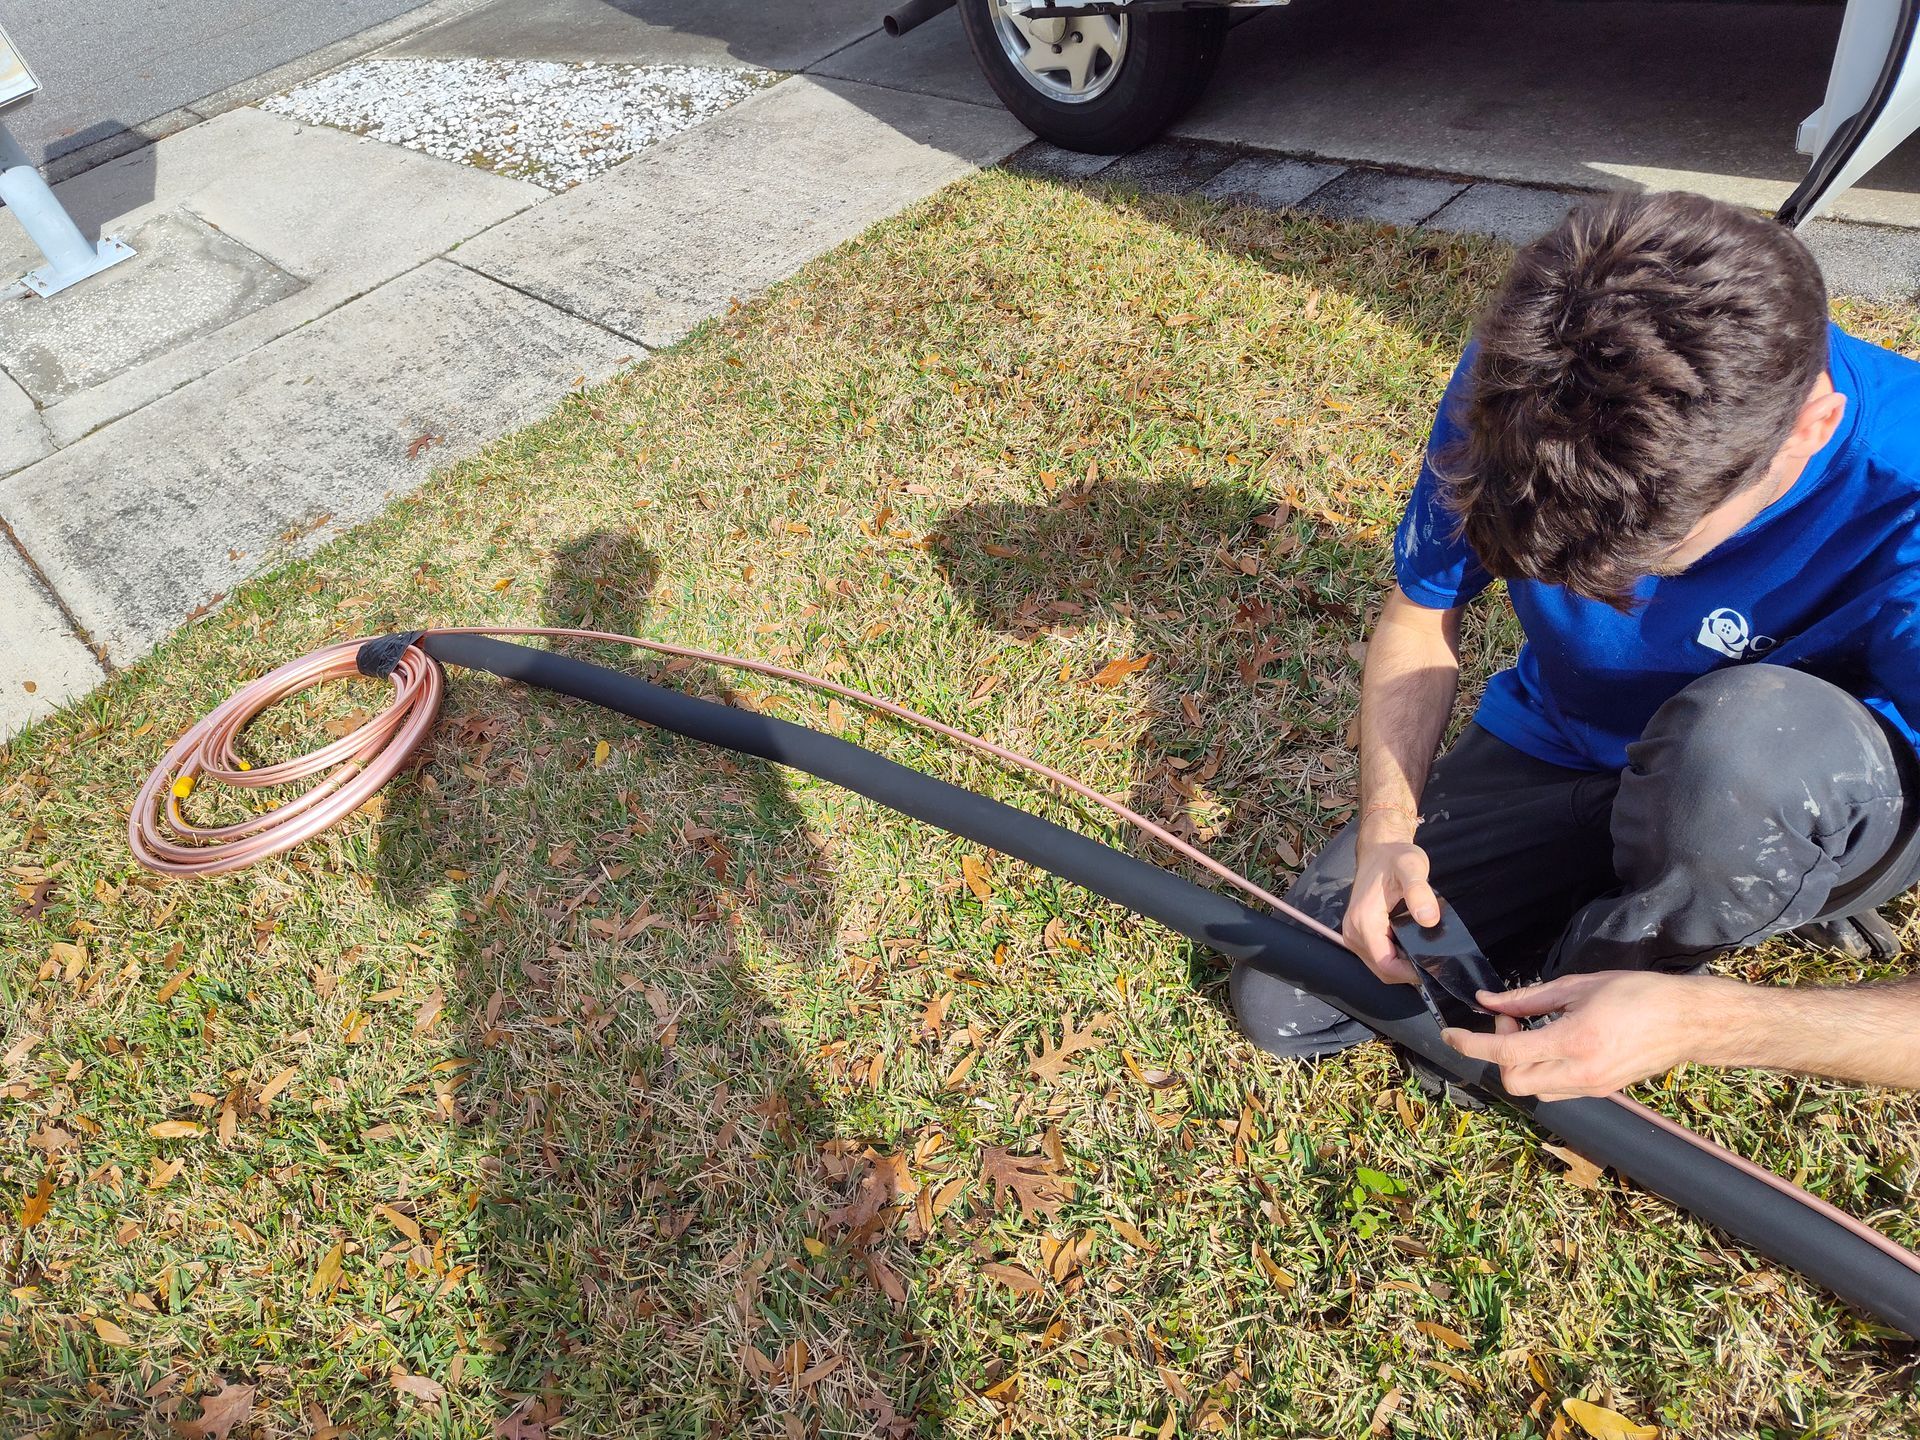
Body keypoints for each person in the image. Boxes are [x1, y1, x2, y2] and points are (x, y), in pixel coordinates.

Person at [1230, 190, 1920, 1098]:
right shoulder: (1536, 373)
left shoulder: (1905, 488)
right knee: (1289, 994)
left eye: (1651, 558)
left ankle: (1694, 916)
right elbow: (1418, 612)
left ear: (1810, 432)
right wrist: (1387, 838)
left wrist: (1712, 1026)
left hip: (1781, 775)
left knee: (1742, 751)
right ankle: (1626, 869)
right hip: (1562, 745)